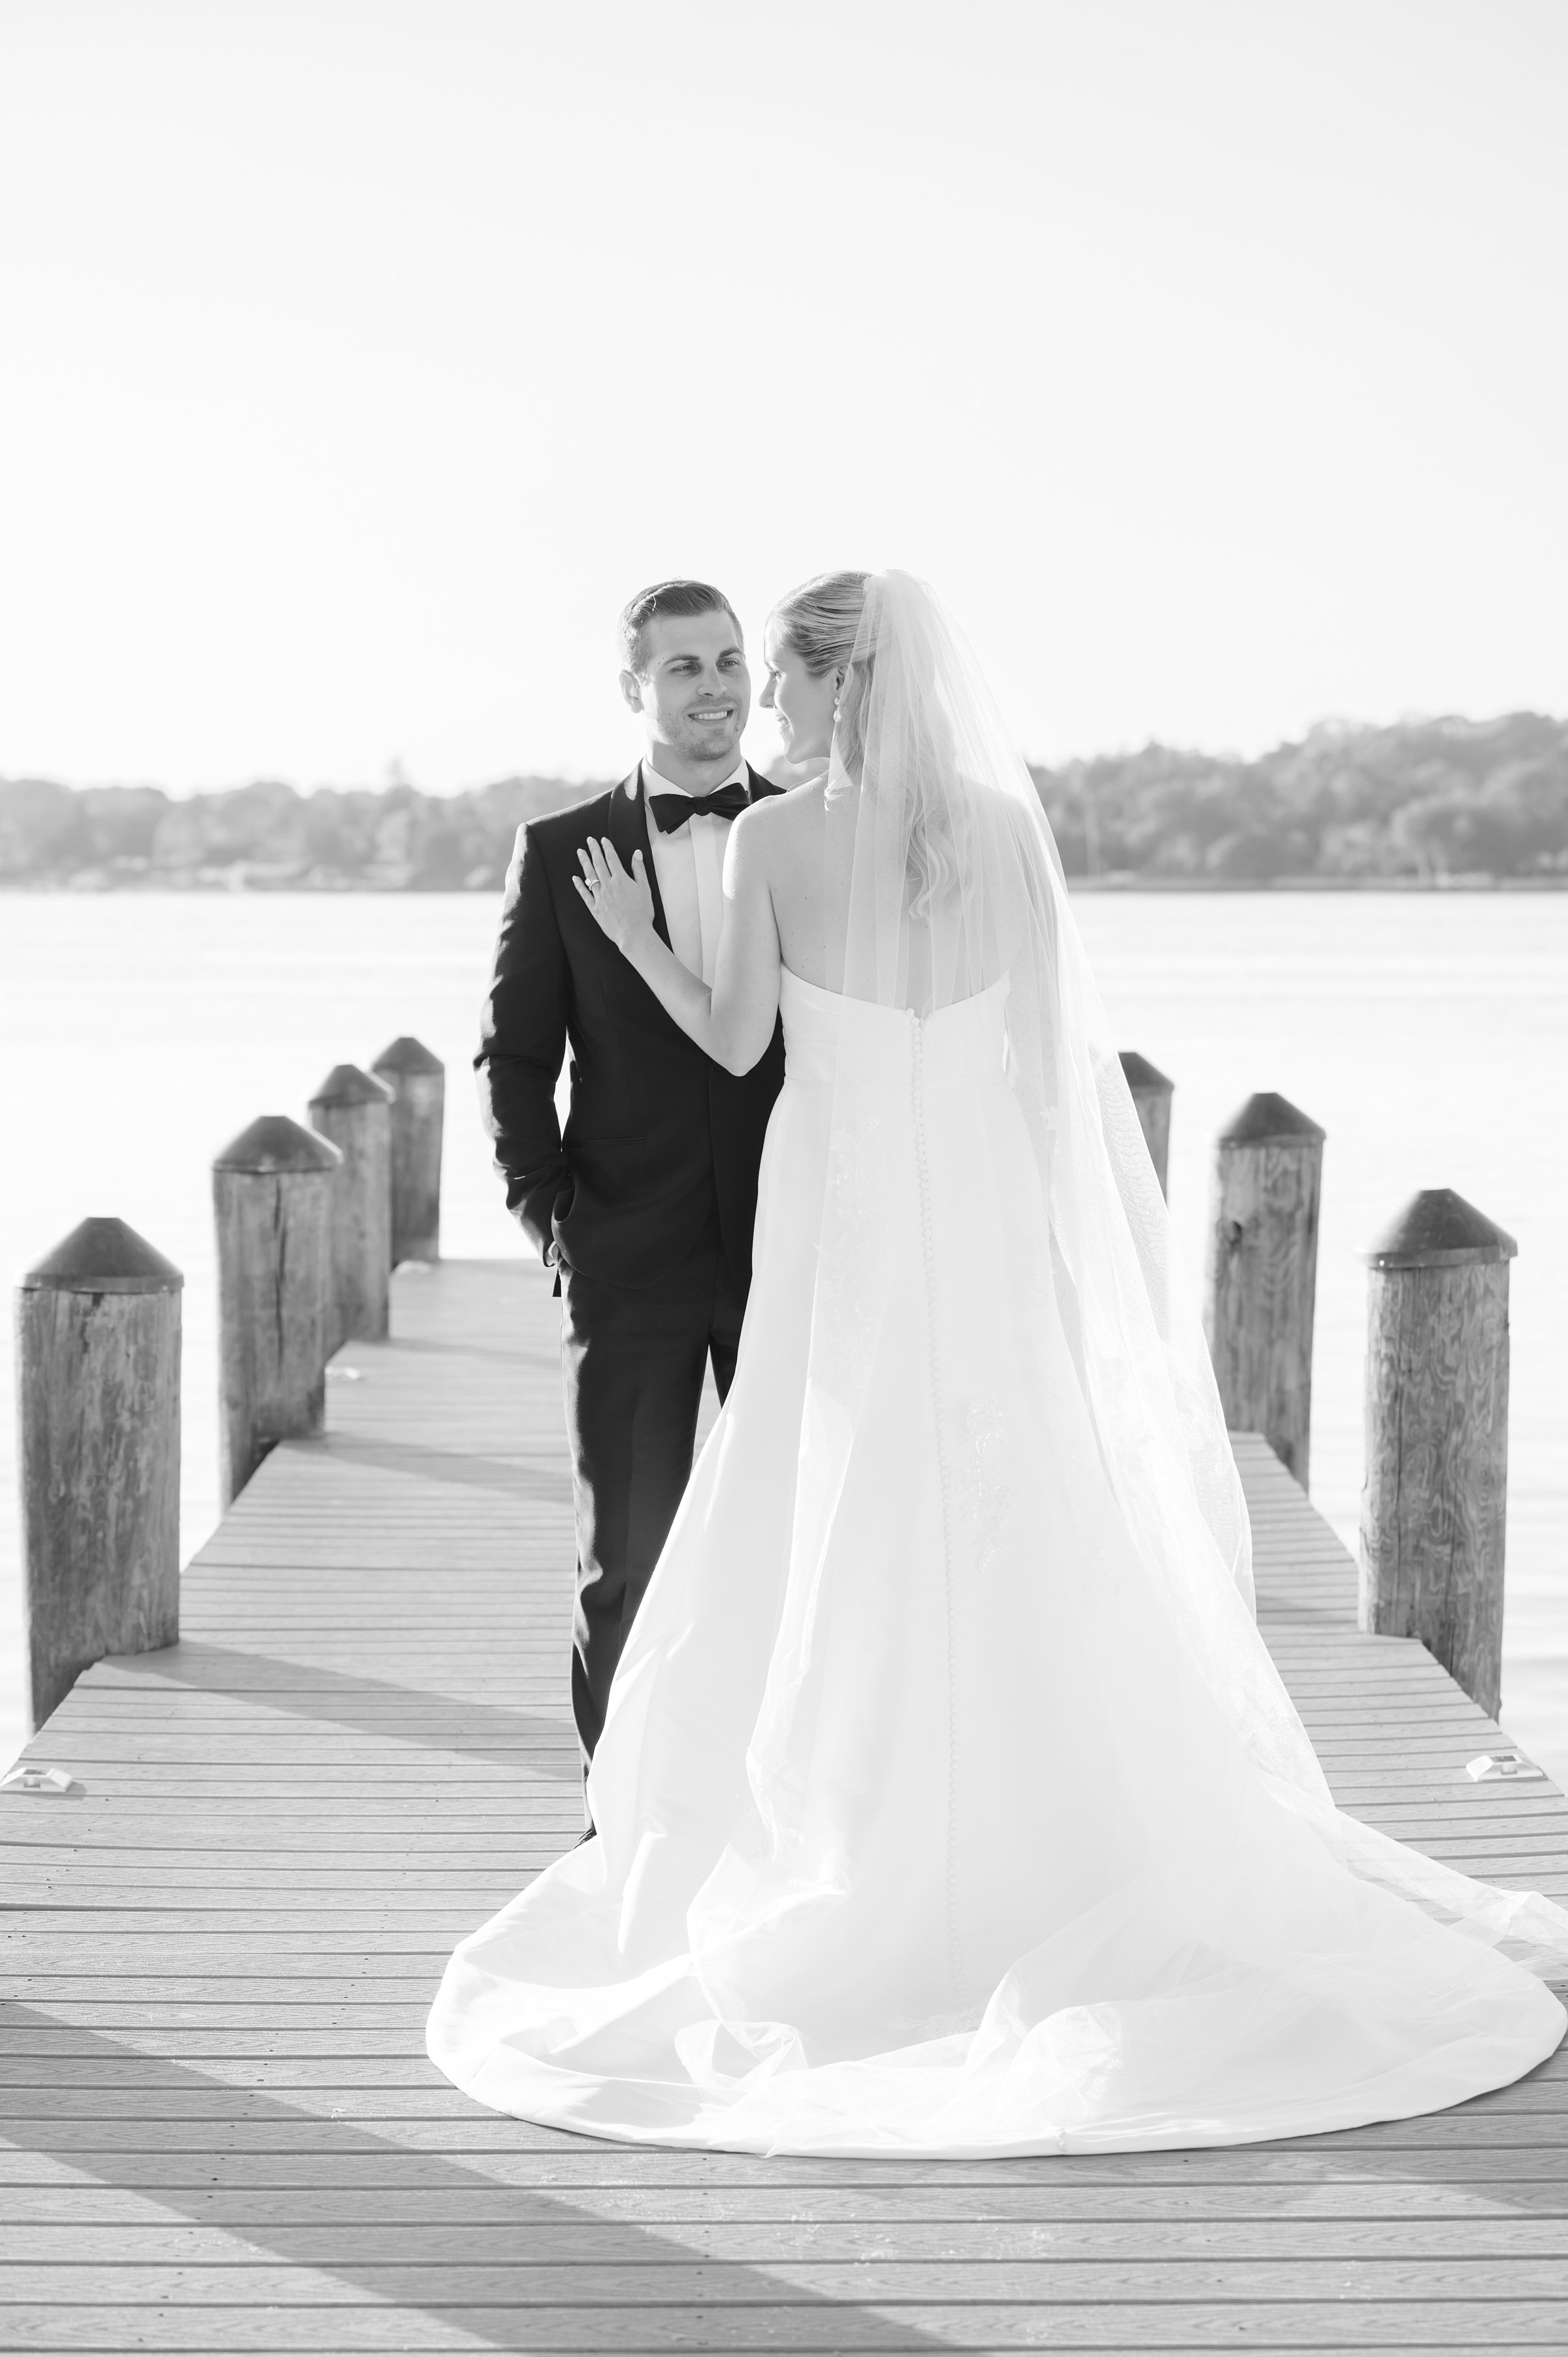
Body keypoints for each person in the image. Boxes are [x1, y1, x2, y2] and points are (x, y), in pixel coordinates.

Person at [431, 570, 1568, 2158]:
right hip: (974, 1236)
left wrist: (642, 941)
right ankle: (1056, 1841)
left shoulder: (770, 838)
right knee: (1009, 1520)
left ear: (839, 684)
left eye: (778, 682)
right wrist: (1047, 1263)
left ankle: (808, 1842)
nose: (760, 709)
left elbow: (741, 1045)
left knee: (834, 1535)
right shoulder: (1005, 837)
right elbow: (1046, 1084)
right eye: (717, 677)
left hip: (836, 1244)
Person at [475, 580, 783, 1784]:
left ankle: (780, 1821)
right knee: (630, 1562)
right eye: (685, 668)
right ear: (634, 690)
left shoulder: (807, 828)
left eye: (729, 660)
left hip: (795, 1248)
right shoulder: (560, 854)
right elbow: (515, 1058)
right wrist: (550, 1217)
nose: (716, 688)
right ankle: (622, 1829)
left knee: (799, 1555)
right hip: (628, 1256)